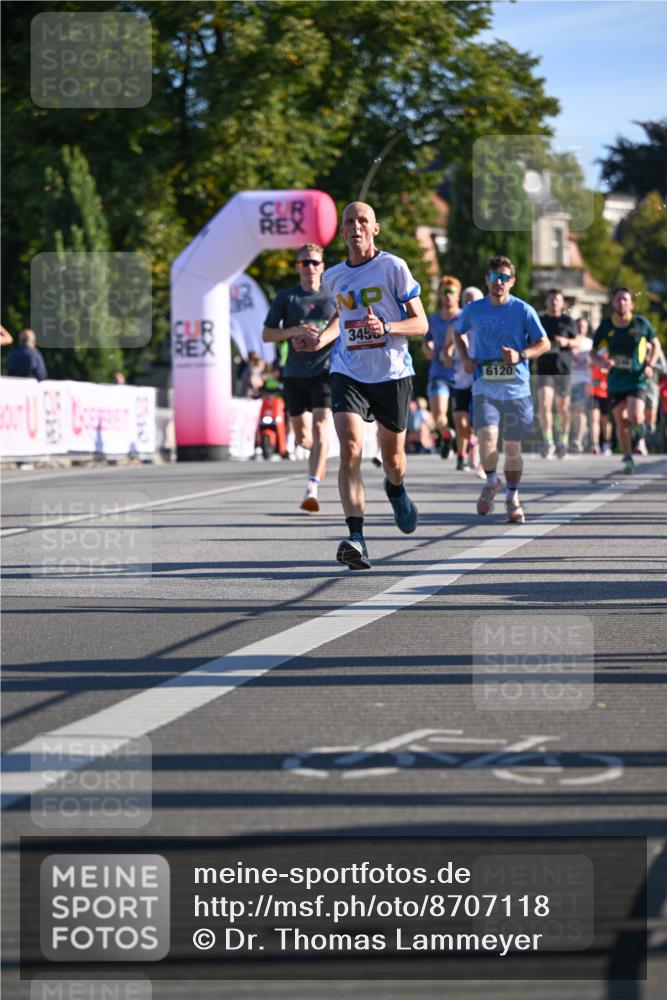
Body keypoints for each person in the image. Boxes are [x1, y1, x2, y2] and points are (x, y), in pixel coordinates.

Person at [294, 201, 428, 570]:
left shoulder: (393, 267)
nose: (356, 227)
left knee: (394, 461)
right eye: (349, 221)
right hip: (348, 370)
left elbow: (421, 324)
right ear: (341, 232)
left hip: (391, 372)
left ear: (375, 228)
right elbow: (342, 316)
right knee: (350, 448)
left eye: (363, 221)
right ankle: (356, 537)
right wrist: (319, 340)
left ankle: (396, 489)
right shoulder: (334, 276)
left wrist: (386, 327)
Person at [454, 255, 550, 523]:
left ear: (512, 281)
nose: (499, 282)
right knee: (486, 438)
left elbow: (544, 343)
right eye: (494, 277)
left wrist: (521, 355)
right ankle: (492, 481)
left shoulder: (523, 310)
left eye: (504, 278)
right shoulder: (474, 310)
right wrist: (464, 357)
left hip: (517, 389)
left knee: (512, 448)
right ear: (487, 279)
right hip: (485, 386)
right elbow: (458, 333)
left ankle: (512, 495)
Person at [262, 244, 337, 511]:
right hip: (294, 373)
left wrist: (323, 337)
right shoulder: (287, 298)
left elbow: (345, 324)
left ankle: (312, 488)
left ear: (323, 267)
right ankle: (320, 453)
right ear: (297, 267)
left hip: (326, 370)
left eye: (315, 262)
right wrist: (294, 330)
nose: (310, 268)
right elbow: (267, 334)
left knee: (319, 429)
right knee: (303, 437)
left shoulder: (332, 295)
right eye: (304, 263)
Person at [591, 287, 659, 475]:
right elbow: (593, 352)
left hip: (637, 378)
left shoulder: (640, 324)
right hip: (615, 380)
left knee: (635, 414)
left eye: (625, 299)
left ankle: (641, 434)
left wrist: (650, 364)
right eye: (618, 299)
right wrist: (602, 362)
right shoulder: (606, 326)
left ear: (631, 304)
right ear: (613, 303)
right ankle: (628, 458)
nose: (622, 302)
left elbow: (656, 344)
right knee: (621, 421)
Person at [535, 289, 580, 458]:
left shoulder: (568, 321)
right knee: (544, 403)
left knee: (563, 407)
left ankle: (563, 439)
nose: (554, 302)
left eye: (557, 300)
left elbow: (578, 341)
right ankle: (548, 441)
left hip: (563, 369)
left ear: (562, 303)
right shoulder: (540, 320)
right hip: (544, 368)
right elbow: (531, 338)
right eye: (551, 299)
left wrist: (566, 341)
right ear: (546, 302)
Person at [446, 285, 485, 473]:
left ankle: (470, 451)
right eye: (466, 300)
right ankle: (469, 445)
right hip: (461, 378)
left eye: (473, 300)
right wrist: (447, 354)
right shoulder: (456, 324)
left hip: (480, 378)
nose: (469, 303)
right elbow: (446, 348)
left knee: (477, 420)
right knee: (460, 421)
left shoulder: (486, 323)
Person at [423, 276, 459, 459]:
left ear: (458, 295)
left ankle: (466, 451)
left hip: (462, 374)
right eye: (443, 292)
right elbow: (426, 339)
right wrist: (427, 347)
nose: (447, 296)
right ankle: (446, 434)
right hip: (439, 373)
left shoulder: (463, 318)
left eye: (450, 292)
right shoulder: (433, 319)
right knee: (438, 416)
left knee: (465, 420)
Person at [569, 317, 594, 453]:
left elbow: (595, 361)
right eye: (578, 325)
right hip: (568, 380)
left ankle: (577, 441)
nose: (580, 328)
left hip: (584, 380)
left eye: (583, 326)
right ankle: (581, 433)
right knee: (572, 413)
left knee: (579, 409)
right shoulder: (569, 341)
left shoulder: (590, 343)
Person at [589, 348, 613, 456]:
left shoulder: (610, 352)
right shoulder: (592, 352)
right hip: (593, 392)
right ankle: (595, 444)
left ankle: (606, 444)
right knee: (594, 418)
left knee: (605, 420)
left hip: (607, 392)